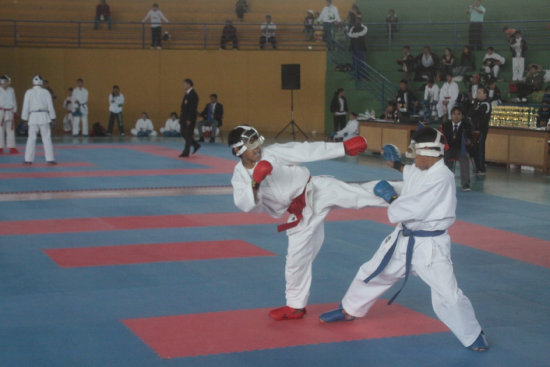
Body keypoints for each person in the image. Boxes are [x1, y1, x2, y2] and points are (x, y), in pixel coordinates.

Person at [319, 127, 489, 352]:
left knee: (447, 295)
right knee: (374, 271)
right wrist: (396, 164)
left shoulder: (442, 177)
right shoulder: (423, 168)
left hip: (430, 246)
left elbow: (416, 206)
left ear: (429, 152)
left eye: (415, 153)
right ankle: (349, 309)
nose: (413, 159)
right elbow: (412, 173)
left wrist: (392, 197)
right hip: (403, 238)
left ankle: (472, 334)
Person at [229, 126, 389, 321]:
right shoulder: (240, 177)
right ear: (238, 150)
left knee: (358, 195)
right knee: (296, 260)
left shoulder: (272, 153)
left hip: (316, 190)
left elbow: (304, 149)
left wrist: (343, 148)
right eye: (251, 144)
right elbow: (246, 205)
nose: (257, 147)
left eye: (258, 141)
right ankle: (295, 306)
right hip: (300, 213)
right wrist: (256, 181)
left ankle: (404, 194)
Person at [22, 75, 56, 165]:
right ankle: (50, 159)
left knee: (31, 138)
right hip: (44, 116)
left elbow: (26, 106)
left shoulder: (28, 92)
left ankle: (28, 160)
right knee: (46, 138)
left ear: (33, 82)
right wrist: (53, 117)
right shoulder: (46, 92)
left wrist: (25, 119)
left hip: (33, 116)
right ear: (41, 83)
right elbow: (50, 105)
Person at [442, 107, 475, 190]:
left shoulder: (467, 126)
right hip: (449, 149)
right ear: (451, 115)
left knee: (464, 159)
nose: (456, 116)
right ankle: (445, 182)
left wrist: (468, 142)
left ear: (462, 116)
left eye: (458, 114)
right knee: (444, 159)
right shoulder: (446, 125)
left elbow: (471, 139)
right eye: (454, 114)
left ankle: (465, 184)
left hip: (461, 149)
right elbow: (443, 138)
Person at [468, 87, 491, 175]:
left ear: (485, 94)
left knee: (480, 148)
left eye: (480, 92)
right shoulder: (477, 103)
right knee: (475, 148)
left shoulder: (486, 104)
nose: (478, 94)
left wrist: (474, 111)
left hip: (482, 130)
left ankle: (481, 168)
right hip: (474, 129)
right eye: (477, 92)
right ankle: (477, 167)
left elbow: (476, 113)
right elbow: (470, 112)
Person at [179, 78, 200, 157]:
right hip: (184, 118)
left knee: (188, 134)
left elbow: (192, 108)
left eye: (185, 84)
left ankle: (186, 152)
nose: (184, 86)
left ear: (189, 85)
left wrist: (189, 119)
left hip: (189, 118)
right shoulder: (187, 93)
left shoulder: (193, 94)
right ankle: (195, 144)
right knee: (183, 133)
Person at [0, 75, 18, 154]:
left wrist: (15, 111)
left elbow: (14, 101)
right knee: (0, 131)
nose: (7, 84)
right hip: (1, 112)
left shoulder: (11, 90)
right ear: (2, 83)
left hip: (10, 112)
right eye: (6, 82)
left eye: (8, 82)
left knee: (11, 130)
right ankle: (0, 148)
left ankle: (12, 147)